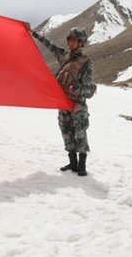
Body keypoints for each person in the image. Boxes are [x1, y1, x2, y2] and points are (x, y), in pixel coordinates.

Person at [28, 25, 95, 176]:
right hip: (63, 102)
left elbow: (87, 82)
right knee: (66, 131)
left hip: (77, 104)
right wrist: (33, 33)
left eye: (74, 40)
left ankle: (82, 165)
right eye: (69, 39)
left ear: (81, 42)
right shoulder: (64, 56)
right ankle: (72, 163)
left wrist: (79, 102)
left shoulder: (86, 61)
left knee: (80, 133)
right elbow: (50, 45)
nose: (71, 42)